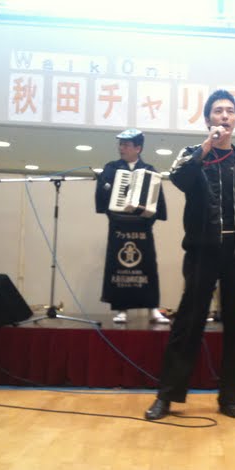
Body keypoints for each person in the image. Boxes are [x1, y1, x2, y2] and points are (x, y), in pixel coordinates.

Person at [144, 89, 235, 421]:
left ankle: (230, 398)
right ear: (207, 119)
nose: (224, 116)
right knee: (188, 322)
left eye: (230, 111)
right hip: (202, 253)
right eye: (218, 111)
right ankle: (166, 396)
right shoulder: (193, 156)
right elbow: (179, 179)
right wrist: (207, 146)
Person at [95, 128, 169, 324]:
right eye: (120, 144)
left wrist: (147, 218)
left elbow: (156, 201)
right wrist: (106, 186)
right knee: (118, 267)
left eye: (126, 145)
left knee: (148, 266)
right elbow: (103, 196)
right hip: (119, 227)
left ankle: (153, 309)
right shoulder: (111, 168)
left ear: (138, 148)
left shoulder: (149, 170)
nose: (121, 148)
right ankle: (121, 309)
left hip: (142, 228)